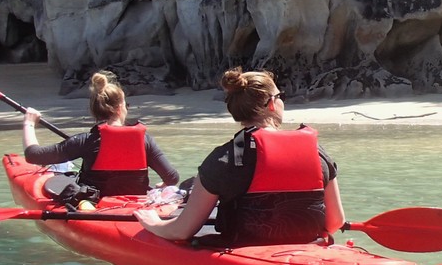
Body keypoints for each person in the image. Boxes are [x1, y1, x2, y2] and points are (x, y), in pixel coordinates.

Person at [135, 67, 344, 245]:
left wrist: (154, 223)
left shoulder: (224, 159)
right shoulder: (317, 153)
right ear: (272, 103)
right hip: (307, 251)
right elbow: (335, 222)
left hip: (244, 251)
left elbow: (181, 231)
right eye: (281, 96)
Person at [22, 70, 179, 196]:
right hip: (134, 208)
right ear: (120, 108)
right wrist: (163, 185)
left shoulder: (85, 141)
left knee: (62, 171)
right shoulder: (145, 141)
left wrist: (29, 122)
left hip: (92, 205)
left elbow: (33, 155)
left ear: (94, 110)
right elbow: (172, 178)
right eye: (126, 105)